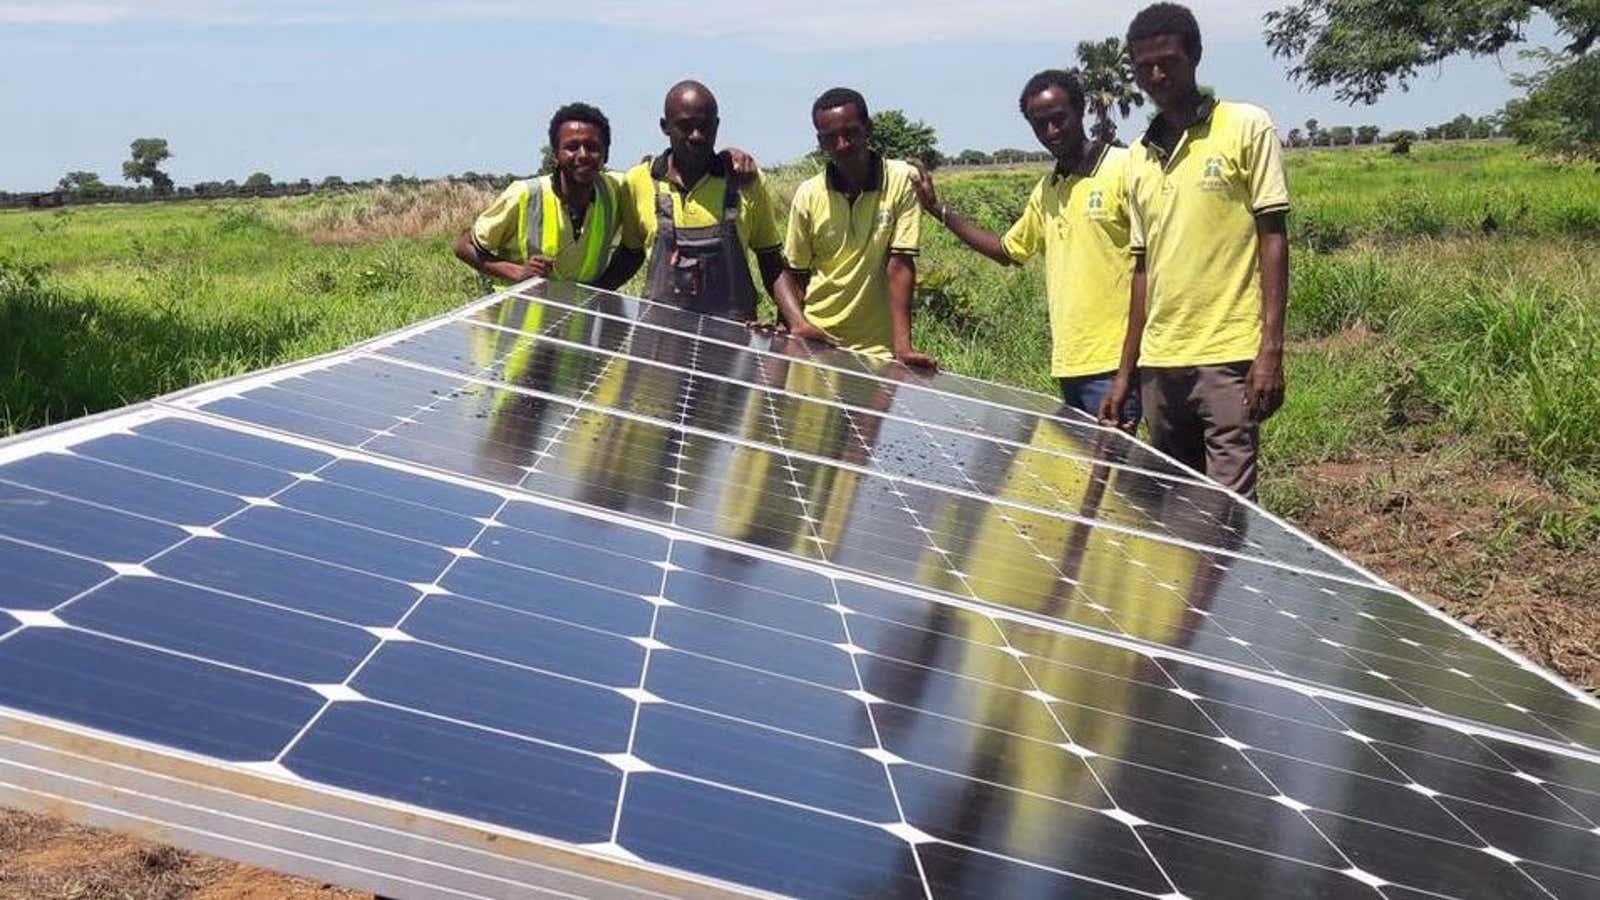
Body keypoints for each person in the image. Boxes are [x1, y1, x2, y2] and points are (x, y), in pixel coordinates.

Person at [1100, 2, 1290, 500]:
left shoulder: (1246, 126)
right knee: (1176, 512)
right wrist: (1126, 375)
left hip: (1228, 357)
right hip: (1160, 365)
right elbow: (1143, 269)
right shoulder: (1139, 156)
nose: (1156, 75)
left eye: (1168, 61)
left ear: (1196, 56)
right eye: (1144, 66)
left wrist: (1269, 350)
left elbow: (1273, 235)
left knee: (1227, 512)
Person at [911, 69, 1139, 421]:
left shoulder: (1126, 170)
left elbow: (1153, 263)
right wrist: (936, 209)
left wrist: (1127, 372)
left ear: (1081, 110)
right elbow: (1007, 250)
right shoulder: (1047, 190)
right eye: (1040, 124)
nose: (1051, 132)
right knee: (1087, 472)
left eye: (1059, 119)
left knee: (1115, 471)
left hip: (1119, 363)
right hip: (1070, 363)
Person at [602, 80, 808, 326]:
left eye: (705, 126)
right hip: (662, 341)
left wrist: (797, 323)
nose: (696, 135)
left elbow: (770, 260)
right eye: (685, 126)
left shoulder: (746, 180)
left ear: (717, 125)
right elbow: (631, 253)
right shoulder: (639, 181)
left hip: (733, 343)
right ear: (665, 127)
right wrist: (586, 294)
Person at [783, 87, 936, 365]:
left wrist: (903, 348)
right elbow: (797, 274)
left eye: (850, 133)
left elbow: (900, 264)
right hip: (816, 340)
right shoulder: (808, 194)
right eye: (830, 138)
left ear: (868, 129)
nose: (842, 145)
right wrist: (792, 327)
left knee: (871, 410)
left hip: (876, 349)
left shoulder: (903, 180)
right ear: (820, 141)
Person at [454, 102, 630, 289]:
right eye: (572, 147)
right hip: (518, 315)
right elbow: (464, 246)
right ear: (555, 154)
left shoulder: (615, 191)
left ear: (606, 154)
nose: (583, 155)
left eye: (593, 147)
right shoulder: (525, 195)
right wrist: (517, 272)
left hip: (580, 314)